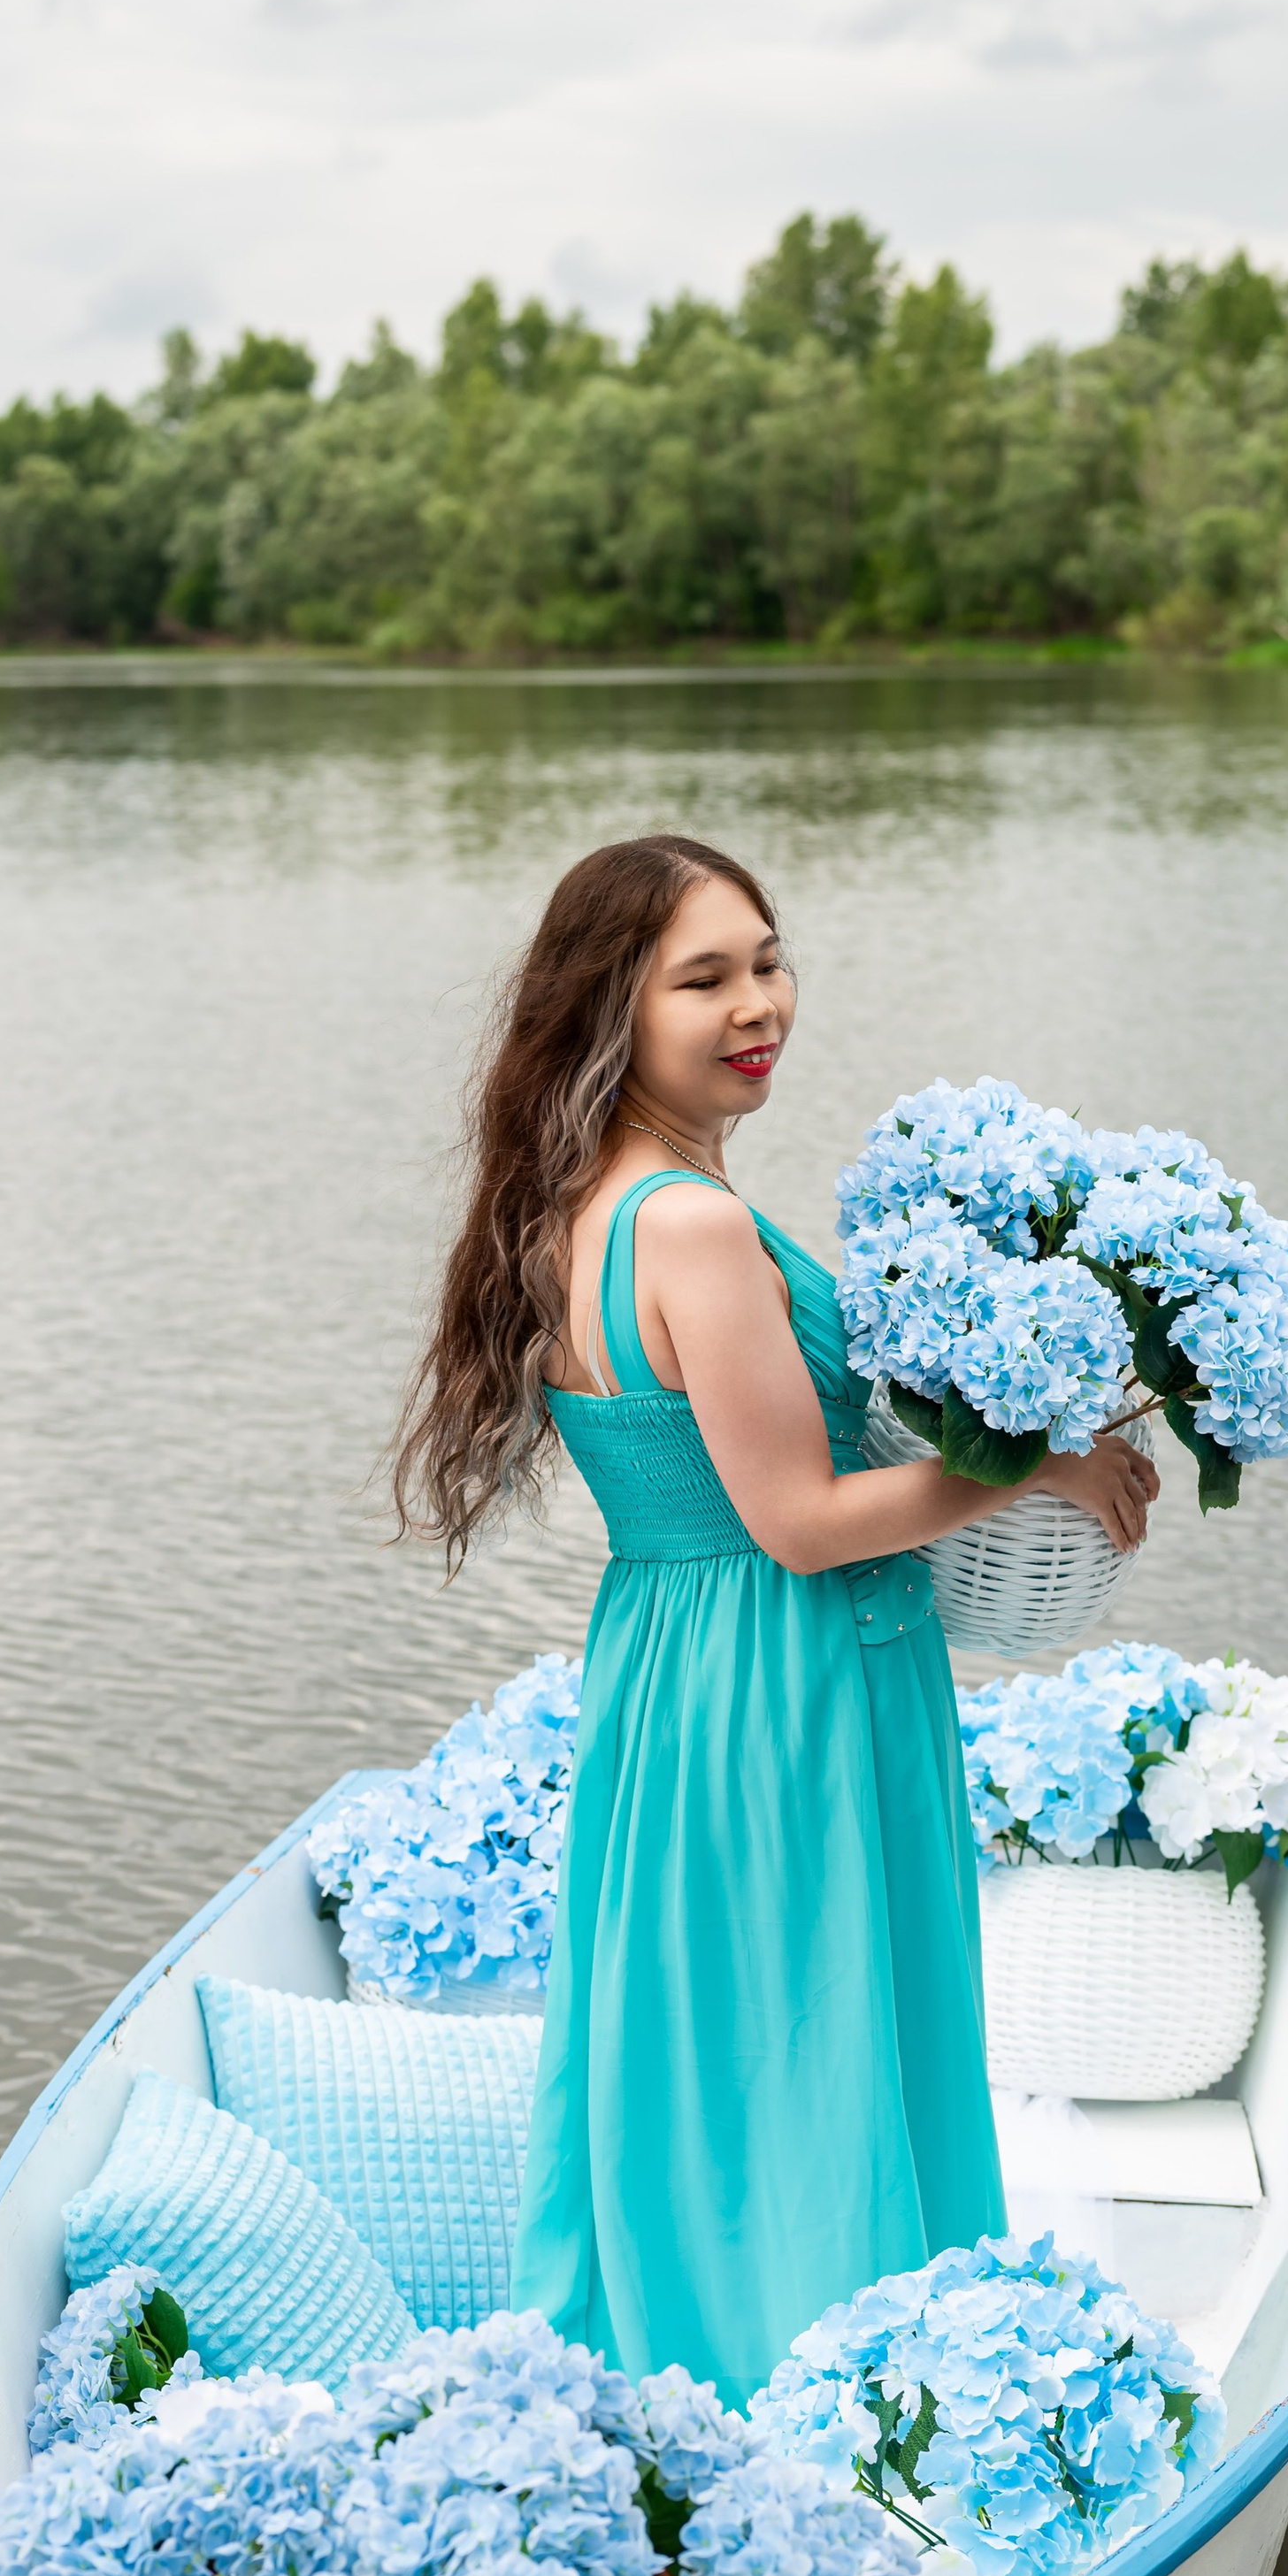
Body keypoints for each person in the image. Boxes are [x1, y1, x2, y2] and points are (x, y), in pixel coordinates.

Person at [391, 834, 1158, 2404]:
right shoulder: (689, 1224)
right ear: (610, 1007)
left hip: (678, 1664)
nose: (759, 1005)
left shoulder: (586, 1201)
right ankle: (837, 2385)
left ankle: (704, 2361)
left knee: (722, 2029)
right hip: (785, 1669)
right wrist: (1034, 1467)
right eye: (705, 979)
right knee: (814, 2033)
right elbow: (799, 1522)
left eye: (767, 960)